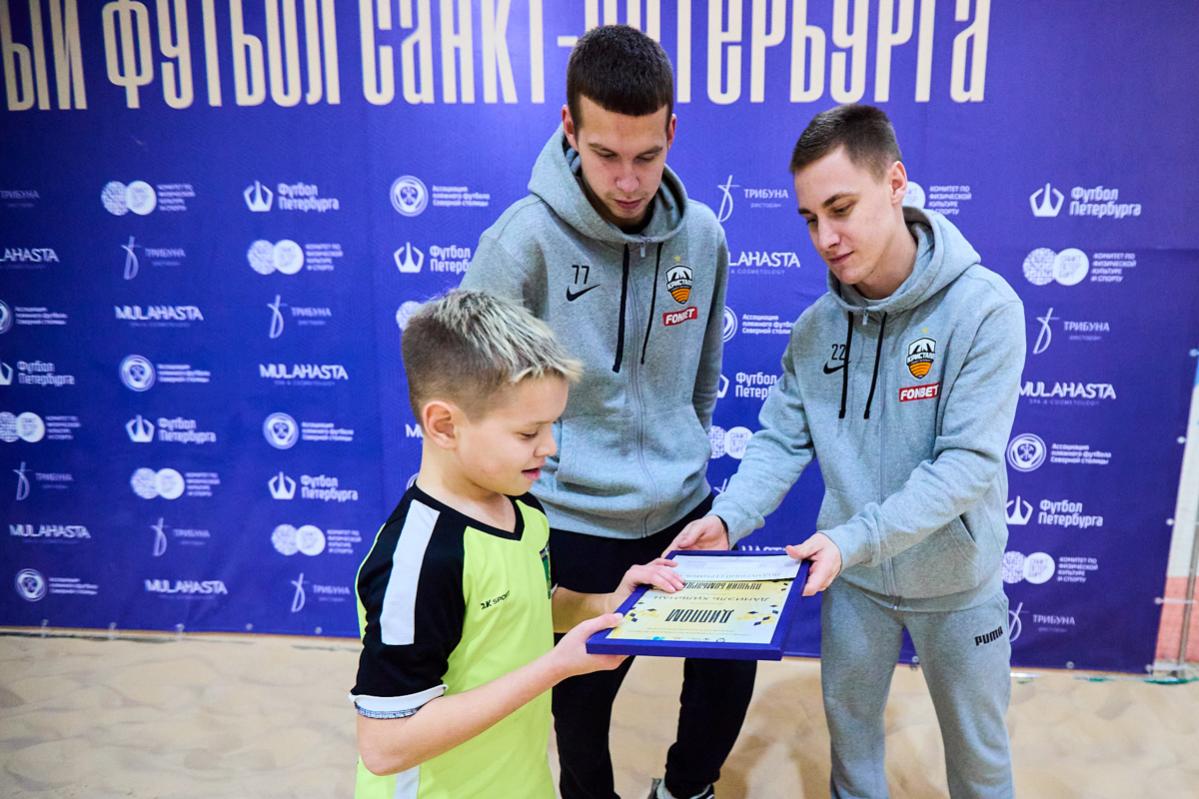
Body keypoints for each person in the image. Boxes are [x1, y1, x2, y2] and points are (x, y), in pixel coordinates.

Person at [669, 104, 1024, 798]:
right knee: (852, 751)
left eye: (840, 209)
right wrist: (729, 519)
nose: (825, 238)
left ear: (894, 184)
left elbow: (966, 465)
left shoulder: (985, 309)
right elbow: (780, 440)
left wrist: (852, 537)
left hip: (956, 586)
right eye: (809, 218)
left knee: (980, 763)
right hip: (854, 583)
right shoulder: (815, 329)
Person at [460, 24, 754, 799]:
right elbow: (472, 397)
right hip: (572, 521)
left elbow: (702, 379)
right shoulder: (520, 242)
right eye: (605, 155)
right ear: (569, 128)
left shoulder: (703, 236)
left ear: (671, 132)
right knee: (581, 716)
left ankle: (684, 789)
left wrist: (681, 453)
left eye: (646, 156)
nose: (628, 180)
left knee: (730, 669)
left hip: (683, 509)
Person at [350, 290, 684, 799]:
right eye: (528, 433)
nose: (549, 447)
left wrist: (609, 603)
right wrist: (555, 667)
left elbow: (527, 607)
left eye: (552, 426)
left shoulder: (525, 509)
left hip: (522, 781)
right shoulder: (418, 561)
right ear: (444, 425)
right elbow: (385, 746)